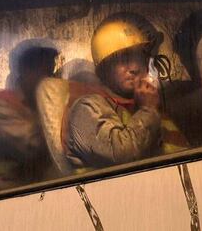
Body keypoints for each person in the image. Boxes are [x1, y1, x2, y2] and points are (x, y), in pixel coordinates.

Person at [65, 13, 187, 170]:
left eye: (139, 57)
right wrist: (148, 110)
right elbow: (121, 155)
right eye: (123, 59)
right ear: (104, 69)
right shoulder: (87, 108)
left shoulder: (148, 101)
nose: (135, 68)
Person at [0, 39, 58, 193]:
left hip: (37, 190)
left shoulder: (39, 104)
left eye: (51, 72)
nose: (50, 79)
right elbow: (34, 144)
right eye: (44, 72)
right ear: (26, 72)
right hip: (4, 194)